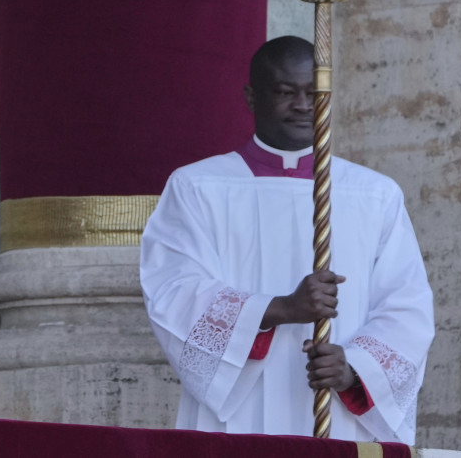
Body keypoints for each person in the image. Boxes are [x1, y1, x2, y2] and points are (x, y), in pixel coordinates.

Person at [139, 36, 434, 442]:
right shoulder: (197, 187)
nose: (302, 105)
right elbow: (174, 291)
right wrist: (280, 308)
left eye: (314, 93)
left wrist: (353, 369)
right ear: (251, 97)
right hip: (237, 416)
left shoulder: (374, 194)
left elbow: (408, 308)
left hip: (336, 412)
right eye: (284, 92)